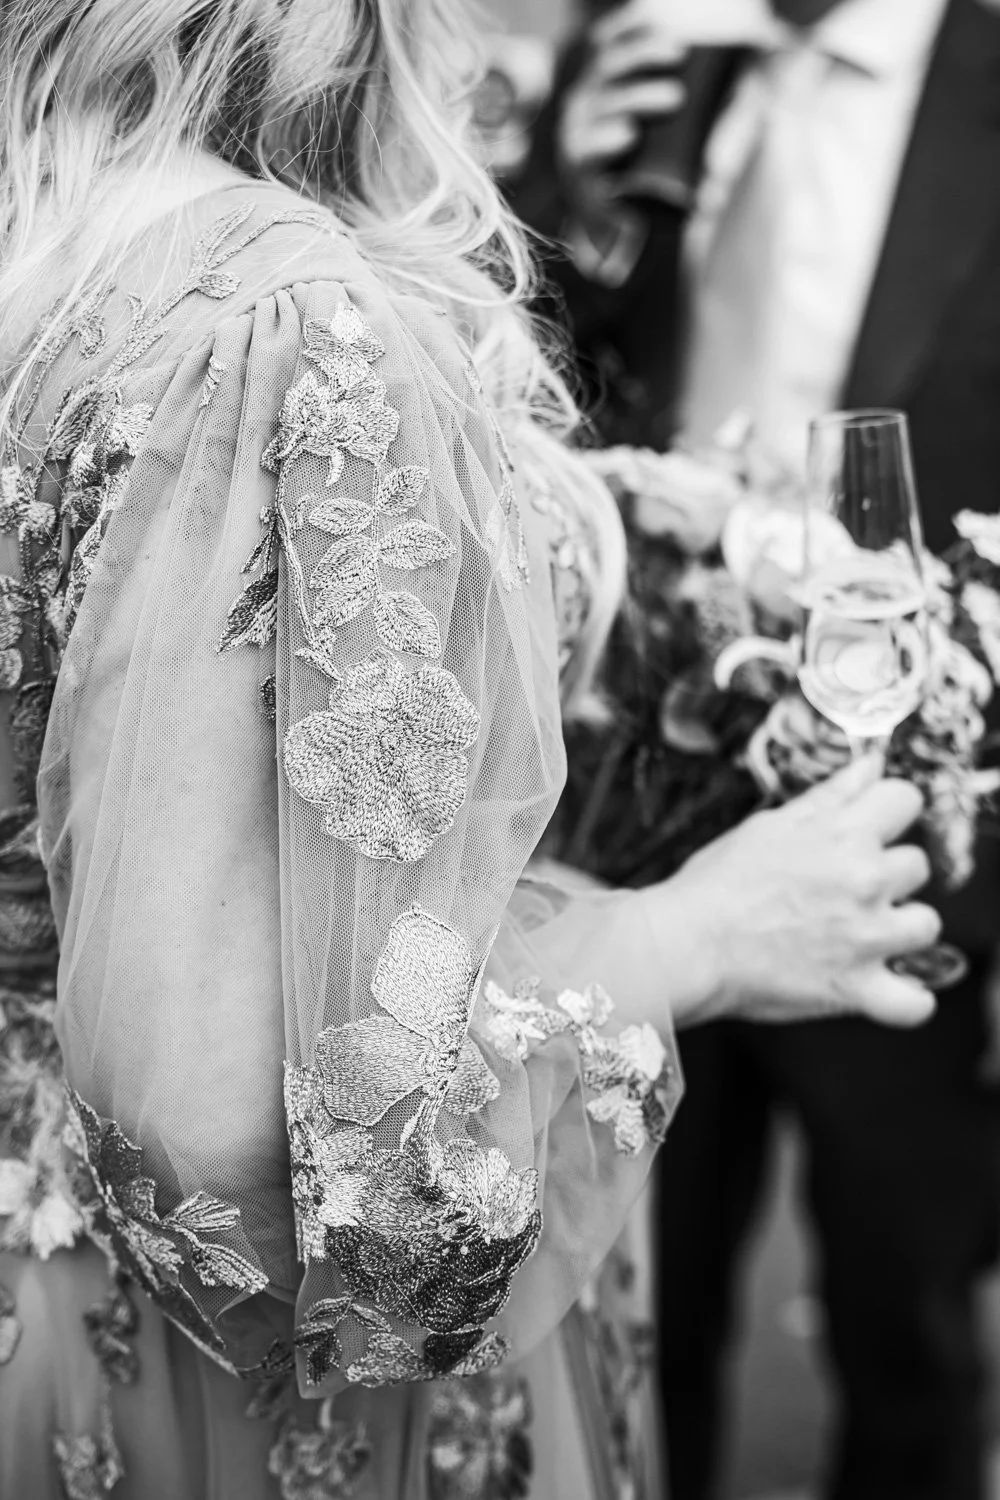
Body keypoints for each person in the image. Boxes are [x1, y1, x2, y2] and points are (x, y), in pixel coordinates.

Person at [0, 3, 943, 1498]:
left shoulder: (47, 221)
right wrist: (687, 936)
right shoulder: (281, 322)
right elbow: (228, 1133)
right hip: (207, 1391)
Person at [514, 0, 1000, 1497]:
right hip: (644, 795)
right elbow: (544, 376)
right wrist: (558, 197)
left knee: (901, 1324)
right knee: (642, 1298)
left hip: (912, 815)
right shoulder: (665, 49)